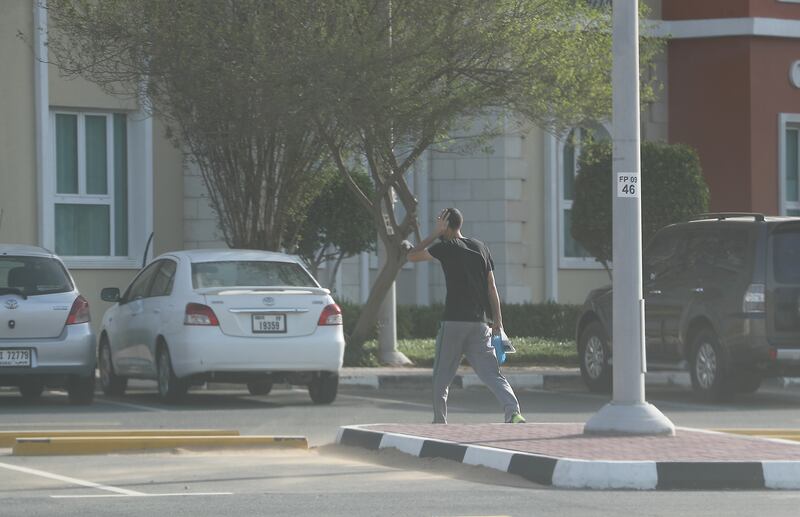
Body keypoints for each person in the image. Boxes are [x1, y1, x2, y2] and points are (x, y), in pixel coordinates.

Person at [406, 208, 526, 424]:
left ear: (447, 225)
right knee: (492, 373)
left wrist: (434, 233)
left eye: (441, 223)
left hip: (453, 323)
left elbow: (412, 256)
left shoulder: (446, 246)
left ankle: (439, 422)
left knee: (442, 376)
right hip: (479, 324)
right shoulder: (481, 247)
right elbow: (492, 287)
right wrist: (498, 322)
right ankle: (513, 412)